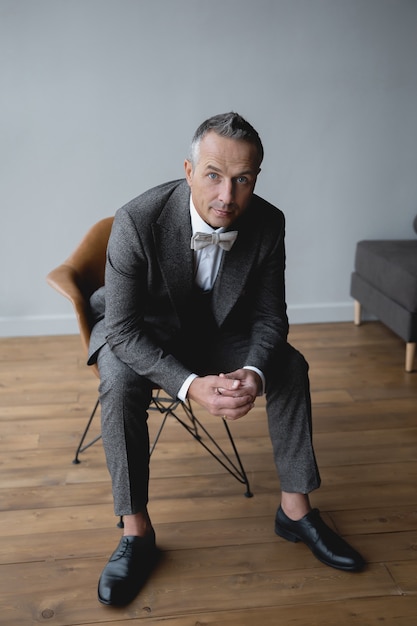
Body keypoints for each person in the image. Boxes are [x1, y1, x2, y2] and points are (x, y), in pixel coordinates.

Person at [88, 112, 365, 606]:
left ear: (256, 177)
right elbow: (123, 330)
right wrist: (192, 384)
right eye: (214, 175)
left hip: (217, 332)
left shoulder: (269, 221)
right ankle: (135, 532)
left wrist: (255, 374)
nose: (227, 196)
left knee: (291, 365)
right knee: (117, 377)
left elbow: (269, 320)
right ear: (189, 170)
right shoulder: (137, 218)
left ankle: (295, 511)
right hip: (145, 334)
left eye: (243, 180)